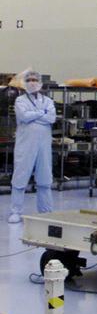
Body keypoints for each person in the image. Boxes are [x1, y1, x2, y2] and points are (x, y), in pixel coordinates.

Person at [9, 69, 56, 223]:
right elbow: (23, 116)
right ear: (24, 83)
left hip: (43, 146)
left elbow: (51, 118)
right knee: (20, 176)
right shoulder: (20, 100)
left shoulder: (48, 101)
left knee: (45, 178)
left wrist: (34, 114)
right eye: (28, 80)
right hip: (25, 144)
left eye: (34, 79)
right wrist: (40, 113)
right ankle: (16, 211)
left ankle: (45, 212)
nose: (32, 82)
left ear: (40, 83)